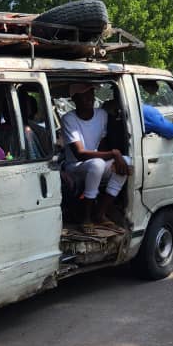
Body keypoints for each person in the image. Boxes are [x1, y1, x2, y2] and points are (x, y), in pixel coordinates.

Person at [60, 81, 130, 232]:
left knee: (126, 162)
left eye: (91, 93)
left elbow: (103, 144)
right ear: (75, 99)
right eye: (84, 94)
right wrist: (113, 154)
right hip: (75, 167)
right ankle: (86, 218)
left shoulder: (102, 115)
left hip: (94, 164)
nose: (89, 97)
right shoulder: (69, 119)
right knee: (97, 164)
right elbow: (79, 154)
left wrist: (114, 159)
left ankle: (100, 213)